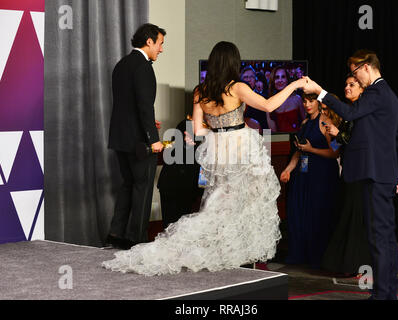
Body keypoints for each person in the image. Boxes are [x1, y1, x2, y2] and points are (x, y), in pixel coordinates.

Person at [102, 41, 307, 276]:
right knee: (247, 204)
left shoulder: (201, 91)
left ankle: (225, 252)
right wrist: (296, 84)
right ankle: (241, 255)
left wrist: (219, 134)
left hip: (219, 149)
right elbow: (270, 105)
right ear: (233, 63)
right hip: (241, 148)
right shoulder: (237, 88)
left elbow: (198, 131)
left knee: (219, 205)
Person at [302, 50, 398, 300]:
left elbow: (349, 114)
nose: (355, 78)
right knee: (386, 237)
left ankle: (382, 295)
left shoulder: (376, 93)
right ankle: (388, 291)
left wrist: (320, 91)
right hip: (384, 174)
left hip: (374, 174)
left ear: (368, 67)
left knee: (378, 239)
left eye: (355, 72)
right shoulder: (389, 95)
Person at [106, 23, 166, 250]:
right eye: (160, 44)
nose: (161, 49)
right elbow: (144, 106)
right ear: (149, 41)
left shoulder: (121, 64)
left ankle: (116, 234)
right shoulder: (143, 67)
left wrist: (149, 123)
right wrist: (154, 138)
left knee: (127, 185)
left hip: (120, 138)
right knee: (142, 189)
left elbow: (127, 106)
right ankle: (137, 240)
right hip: (140, 143)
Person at [280, 93, 340, 269]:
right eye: (305, 101)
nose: (307, 105)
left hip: (322, 174)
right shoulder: (305, 123)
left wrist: (311, 149)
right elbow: (299, 151)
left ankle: (318, 256)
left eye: (311, 101)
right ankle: (300, 254)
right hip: (303, 173)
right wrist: (288, 170)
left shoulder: (327, 122)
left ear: (319, 103)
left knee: (317, 214)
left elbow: (335, 152)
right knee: (299, 211)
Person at [321, 76, 373, 277]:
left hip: (362, 173)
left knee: (359, 220)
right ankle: (351, 264)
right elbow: (337, 148)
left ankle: (363, 266)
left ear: (362, 89)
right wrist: (331, 136)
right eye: (346, 84)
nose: (347, 87)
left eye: (352, 84)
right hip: (349, 173)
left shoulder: (363, 113)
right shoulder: (350, 115)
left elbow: (361, 141)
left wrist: (338, 133)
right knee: (350, 218)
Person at [157, 117, 204, 229]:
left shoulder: (173, 145)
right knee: (175, 225)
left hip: (175, 189)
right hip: (177, 189)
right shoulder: (175, 145)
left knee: (173, 225)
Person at [267, 66, 305, 133]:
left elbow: (305, 124)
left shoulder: (297, 99)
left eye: (283, 77)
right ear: (273, 81)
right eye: (277, 77)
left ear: (287, 80)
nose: (280, 80)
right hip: (280, 141)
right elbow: (272, 132)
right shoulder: (269, 103)